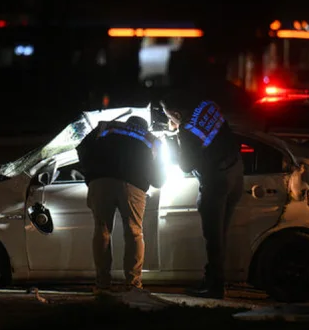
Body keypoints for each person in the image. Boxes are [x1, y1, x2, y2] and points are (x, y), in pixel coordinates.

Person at [161, 92, 243, 299]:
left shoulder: (187, 132)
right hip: (235, 172)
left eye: (168, 116)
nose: (168, 120)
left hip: (216, 181)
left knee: (213, 237)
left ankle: (214, 287)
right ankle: (216, 279)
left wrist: (177, 135)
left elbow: (186, 165)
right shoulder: (208, 105)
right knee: (221, 233)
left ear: (176, 113)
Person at [76, 116, 166, 296]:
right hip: (132, 185)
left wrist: (91, 173)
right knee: (134, 232)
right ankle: (133, 285)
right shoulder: (151, 139)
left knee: (102, 230)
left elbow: (82, 148)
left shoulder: (106, 127)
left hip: (100, 181)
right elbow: (159, 179)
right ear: (145, 127)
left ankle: (102, 285)